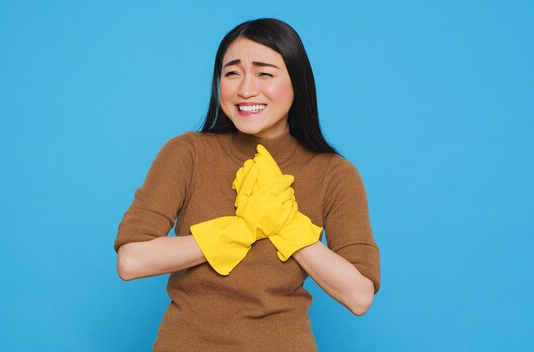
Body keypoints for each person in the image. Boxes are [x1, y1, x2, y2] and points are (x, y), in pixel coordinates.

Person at [114, 18, 380, 351]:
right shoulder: (188, 153)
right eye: (232, 73)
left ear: (297, 82)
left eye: (264, 73)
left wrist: (287, 226)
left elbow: (359, 296)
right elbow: (131, 261)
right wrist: (240, 228)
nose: (245, 89)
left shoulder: (334, 174)